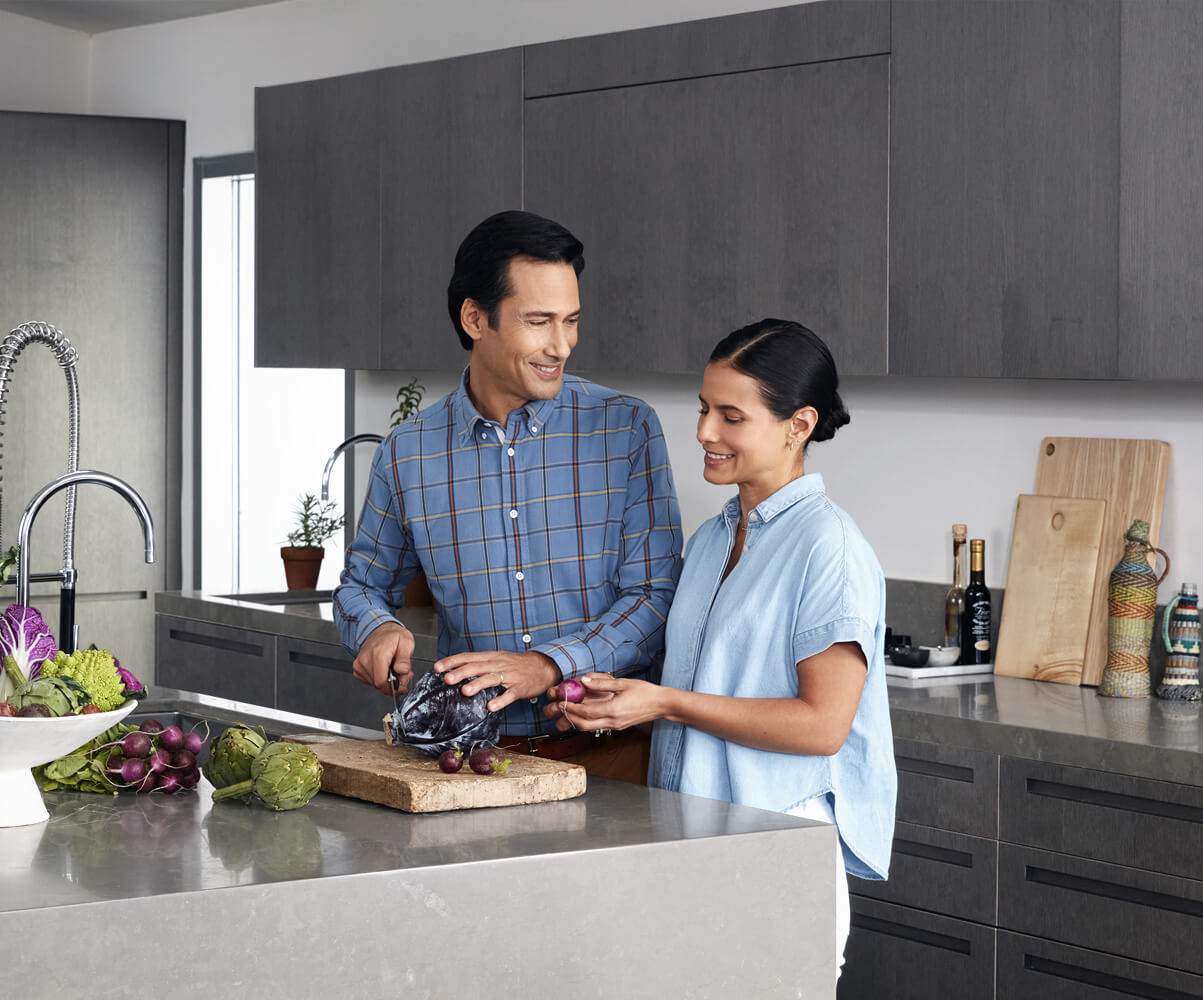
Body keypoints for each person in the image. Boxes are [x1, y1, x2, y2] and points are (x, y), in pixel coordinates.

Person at [543, 318, 896, 975]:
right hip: (686, 842)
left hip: (774, 853)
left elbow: (822, 727)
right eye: (704, 410)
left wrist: (665, 704)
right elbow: (699, 677)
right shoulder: (711, 538)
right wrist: (608, 697)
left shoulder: (829, 549)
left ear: (798, 425)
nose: (704, 432)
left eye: (731, 416)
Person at [333, 210, 683, 782]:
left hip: (611, 751)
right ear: (476, 318)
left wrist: (548, 665)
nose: (562, 345)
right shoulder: (408, 452)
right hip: (472, 764)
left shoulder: (625, 431)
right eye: (540, 321)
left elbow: (655, 595)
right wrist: (375, 627)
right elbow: (361, 586)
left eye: (570, 321)